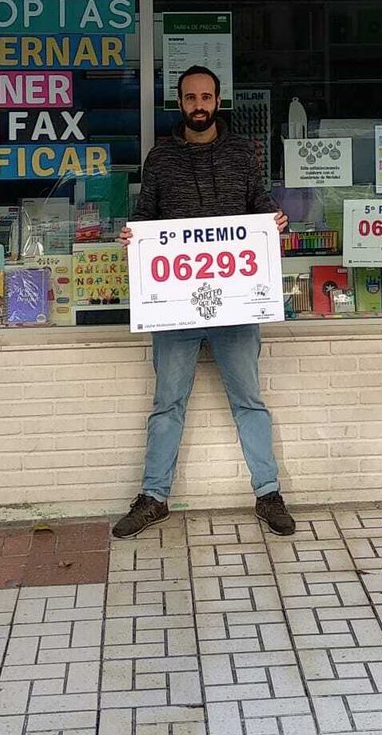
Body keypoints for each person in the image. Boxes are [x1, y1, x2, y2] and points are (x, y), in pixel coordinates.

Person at [112, 65, 295, 539]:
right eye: (190, 97)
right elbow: (145, 217)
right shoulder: (160, 158)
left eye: (206, 97)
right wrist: (133, 237)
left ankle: (269, 492)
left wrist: (276, 225)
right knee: (167, 402)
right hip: (175, 306)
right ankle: (154, 497)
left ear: (218, 101)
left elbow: (261, 206)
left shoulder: (242, 153)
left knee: (249, 401)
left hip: (235, 303)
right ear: (180, 102)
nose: (199, 105)